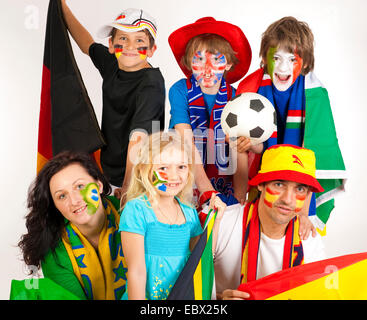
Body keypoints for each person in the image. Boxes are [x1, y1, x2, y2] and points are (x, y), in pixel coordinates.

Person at [236, 16, 346, 231]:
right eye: (275, 58)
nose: (283, 67)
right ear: (265, 58)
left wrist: (304, 212)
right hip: (266, 180)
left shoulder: (315, 95)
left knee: (300, 243)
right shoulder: (254, 87)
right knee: (259, 236)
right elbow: (259, 148)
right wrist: (250, 146)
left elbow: (317, 156)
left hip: (302, 188)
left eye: (292, 60)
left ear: (304, 62)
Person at [60, 1, 165, 199]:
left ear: (151, 50)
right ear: (111, 44)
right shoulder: (112, 65)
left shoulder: (151, 83)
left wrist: (128, 187)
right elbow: (87, 44)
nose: (130, 47)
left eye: (139, 41)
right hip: (108, 170)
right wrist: (61, 7)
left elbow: (139, 138)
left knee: (130, 227)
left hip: (141, 176)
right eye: (123, 38)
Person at [119, 131, 226, 300]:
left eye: (181, 167)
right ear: (144, 170)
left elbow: (201, 258)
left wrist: (217, 221)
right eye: (163, 168)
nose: (174, 176)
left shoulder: (189, 212)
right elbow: (136, 272)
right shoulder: (137, 210)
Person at [168, 17, 262, 207]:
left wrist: (249, 143)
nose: (207, 68)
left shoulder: (236, 96)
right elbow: (186, 140)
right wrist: (205, 190)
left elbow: (258, 147)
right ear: (189, 62)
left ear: (228, 64)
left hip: (224, 172)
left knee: (238, 141)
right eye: (199, 59)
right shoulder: (179, 90)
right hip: (186, 167)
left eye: (217, 59)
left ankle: (238, 200)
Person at [213, 144, 326, 300]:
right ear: (260, 184)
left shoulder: (311, 241)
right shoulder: (222, 223)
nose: (287, 199)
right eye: (279, 185)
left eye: (299, 189)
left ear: (307, 196)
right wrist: (219, 300)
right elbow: (189, 289)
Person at [18, 151, 127, 300]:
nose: (74, 201)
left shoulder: (132, 214)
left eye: (80, 186)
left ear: (99, 185)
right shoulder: (54, 251)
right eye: (62, 196)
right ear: (55, 205)